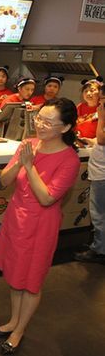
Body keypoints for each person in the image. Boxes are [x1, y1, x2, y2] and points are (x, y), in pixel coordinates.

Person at [0, 98, 80, 355]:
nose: (40, 125)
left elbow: (47, 198)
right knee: (15, 275)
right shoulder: (28, 145)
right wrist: (21, 161)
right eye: (39, 118)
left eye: (48, 122)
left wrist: (29, 166)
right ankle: (13, 321)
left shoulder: (69, 159)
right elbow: (3, 182)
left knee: (31, 281)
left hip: (41, 225)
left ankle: (19, 330)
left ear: (65, 127)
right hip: (16, 218)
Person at [75, 83, 105, 264]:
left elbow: (101, 139)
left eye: (102, 97)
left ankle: (99, 250)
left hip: (102, 173)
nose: (100, 101)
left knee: (99, 213)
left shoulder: (102, 114)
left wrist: (101, 117)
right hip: (99, 169)